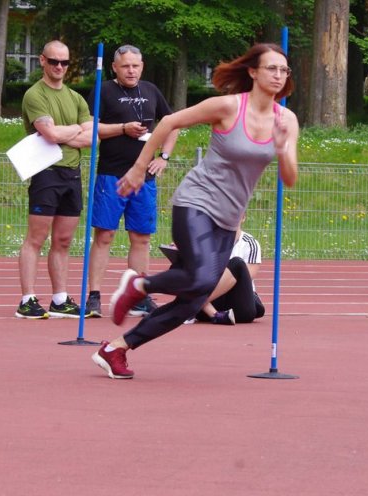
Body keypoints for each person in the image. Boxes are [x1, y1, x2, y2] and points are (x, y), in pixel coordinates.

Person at [91, 43, 299, 379]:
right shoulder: (228, 107)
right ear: (253, 72)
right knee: (202, 277)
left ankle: (116, 348)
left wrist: (283, 149)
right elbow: (170, 121)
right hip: (197, 202)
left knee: (191, 300)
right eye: (271, 68)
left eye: (284, 70)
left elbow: (289, 178)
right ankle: (140, 285)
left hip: (229, 219)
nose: (278, 75)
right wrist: (140, 168)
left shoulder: (286, 120)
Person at [84, 45, 178, 318]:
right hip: (111, 174)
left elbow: (172, 124)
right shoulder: (104, 90)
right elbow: (92, 129)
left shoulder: (150, 90)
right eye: (125, 66)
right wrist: (122, 129)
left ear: (142, 66)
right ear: (115, 67)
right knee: (105, 235)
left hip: (145, 178)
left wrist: (165, 157)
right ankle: (94, 295)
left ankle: (139, 295)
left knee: (141, 237)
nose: (131, 71)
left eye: (135, 66)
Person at [15, 40, 94, 319]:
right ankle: (27, 299)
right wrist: (75, 130)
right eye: (54, 61)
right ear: (42, 61)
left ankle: (60, 299)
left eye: (64, 62)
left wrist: (68, 133)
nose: (59, 67)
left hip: (72, 174)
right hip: (46, 173)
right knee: (36, 238)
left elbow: (92, 137)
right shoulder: (35, 95)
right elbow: (50, 135)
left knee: (63, 240)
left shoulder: (76, 98)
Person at [192, 227, 266, 326]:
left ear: (243, 218)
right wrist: (183, 251)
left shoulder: (250, 243)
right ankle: (216, 315)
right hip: (207, 310)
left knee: (237, 263)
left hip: (239, 307)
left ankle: (197, 302)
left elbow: (246, 279)